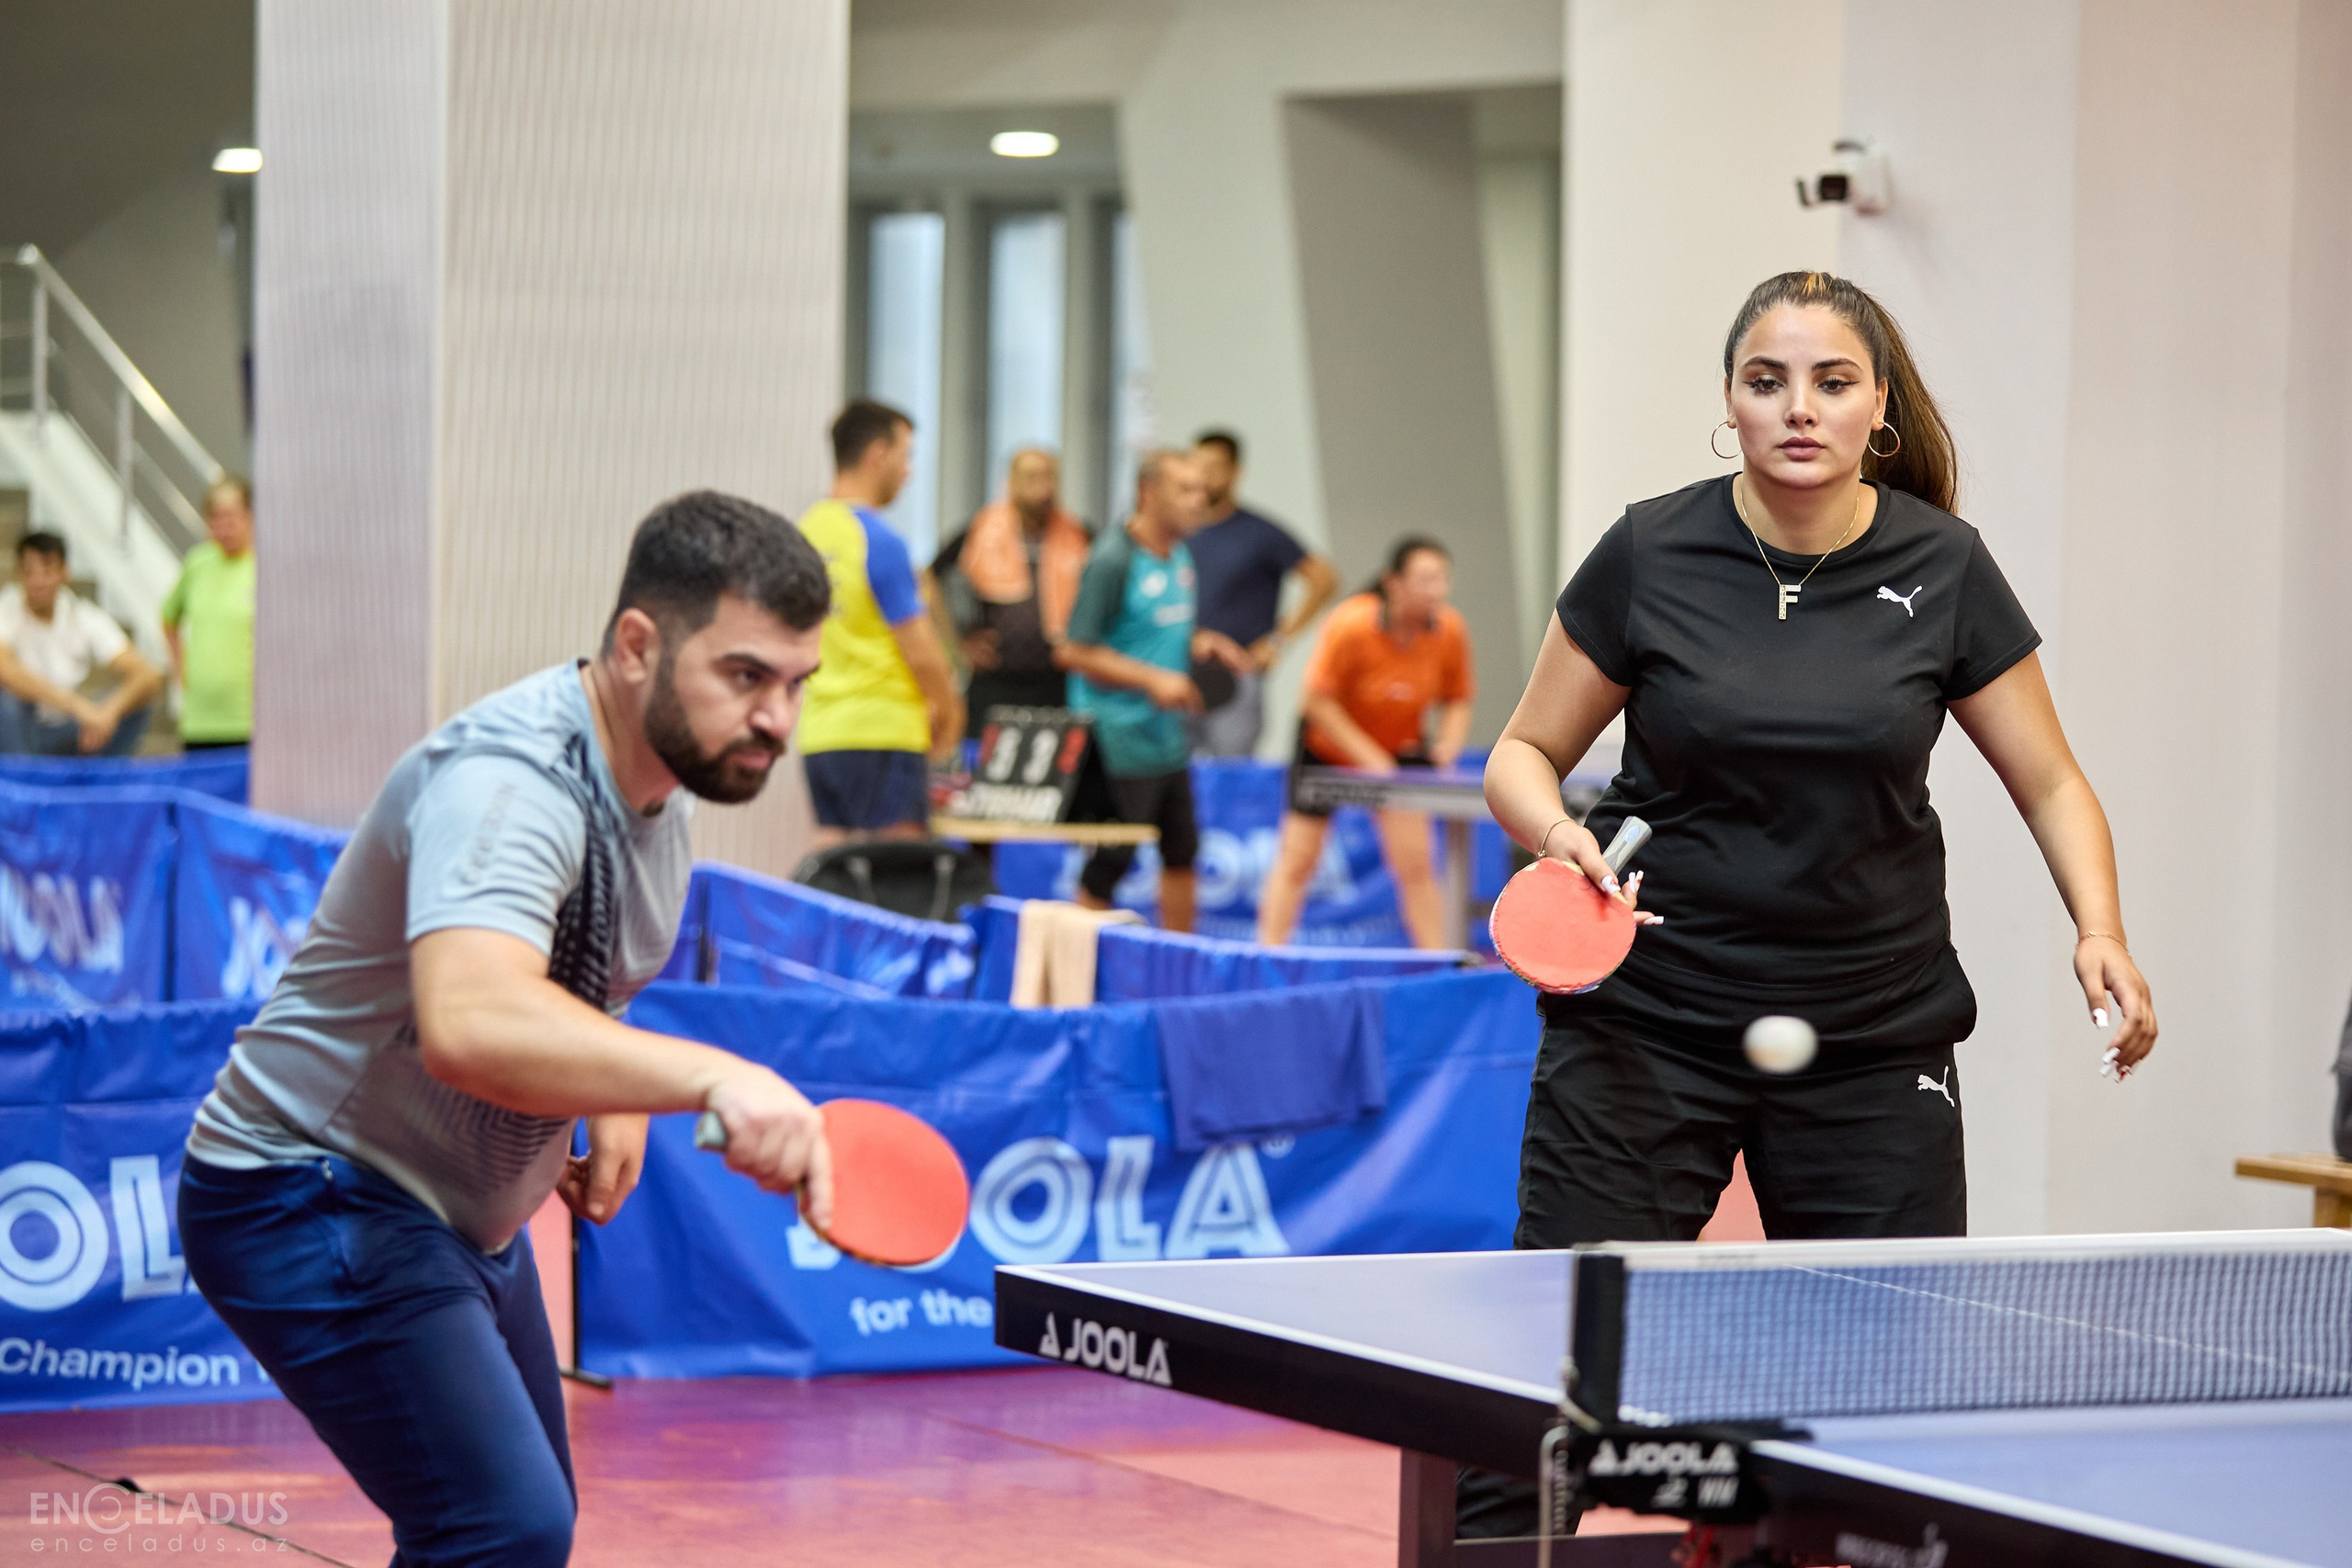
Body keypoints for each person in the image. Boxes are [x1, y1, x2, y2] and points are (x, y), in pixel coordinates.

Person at [1462, 270, 2158, 1532]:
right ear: (1729, 403)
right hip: (1648, 1019)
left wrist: (2098, 927)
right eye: (1766, 380)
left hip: (1872, 1036)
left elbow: (2052, 777)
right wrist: (1564, 836)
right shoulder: (1651, 547)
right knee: (1543, 1390)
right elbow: (1520, 751)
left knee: (1877, 1418)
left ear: (1877, 407)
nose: (1799, 407)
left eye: (1833, 382)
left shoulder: (1941, 566)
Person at [178, 491, 840, 1568]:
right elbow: (472, 1018)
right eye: (745, 676)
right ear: (638, 645)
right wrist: (712, 1077)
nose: (778, 719)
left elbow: (582, 974)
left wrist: (614, 1085)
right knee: (502, 1530)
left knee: (515, 1529)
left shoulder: (660, 792)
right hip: (312, 1188)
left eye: (797, 685)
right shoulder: (510, 782)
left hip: (451, 1213)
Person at [1057, 450, 1247, 932]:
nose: (1199, 500)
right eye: (1185, 489)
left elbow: (1152, 629)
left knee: (1183, 853)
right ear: (1149, 493)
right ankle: (1078, 973)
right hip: (1115, 738)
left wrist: (1200, 641)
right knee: (1111, 864)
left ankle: (1182, 962)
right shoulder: (1111, 559)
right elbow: (1074, 650)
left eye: (1202, 490)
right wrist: (1153, 680)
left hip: (1167, 738)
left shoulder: (1180, 555)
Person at [1255, 536, 1474, 949]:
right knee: (1298, 860)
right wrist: (1367, 755)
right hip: (1326, 750)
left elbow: (1458, 698)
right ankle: (1267, 952)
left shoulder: (1449, 630)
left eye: (1442, 579)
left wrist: (1448, 743)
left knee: (1416, 866)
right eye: (1425, 579)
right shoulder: (1350, 624)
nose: (1437, 591)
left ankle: (1440, 959)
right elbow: (1316, 701)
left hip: (1403, 752)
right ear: (1393, 582)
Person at [796, 400, 965, 849]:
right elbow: (921, 650)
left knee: (838, 878)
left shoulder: (805, 533)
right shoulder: (879, 540)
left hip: (821, 735)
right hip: (884, 732)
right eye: (906, 455)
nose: (909, 472)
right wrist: (950, 715)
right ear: (878, 454)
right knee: (895, 882)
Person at [1184, 430, 1339, 756]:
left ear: (1235, 471)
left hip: (1237, 676)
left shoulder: (1260, 534)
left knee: (1232, 776)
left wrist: (1278, 641)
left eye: (1214, 467)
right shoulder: (1182, 532)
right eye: (1198, 468)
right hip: (1179, 671)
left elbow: (1323, 580)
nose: (1204, 477)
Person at [932, 447, 1092, 720]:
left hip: (1057, 681)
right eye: (1031, 477)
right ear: (1011, 481)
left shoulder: (1079, 535)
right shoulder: (978, 532)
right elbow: (929, 582)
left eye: (1049, 477)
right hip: (995, 681)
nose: (1042, 488)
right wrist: (958, 646)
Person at [0, 532, 164, 755]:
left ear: (64, 572)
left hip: (71, 729)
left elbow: (147, 675)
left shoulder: (83, 616)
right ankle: (23, 782)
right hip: (21, 728)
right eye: (29, 572)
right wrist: (77, 706)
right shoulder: (7, 607)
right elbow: (5, 668)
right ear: (19, 573)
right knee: (6, 703)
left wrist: (107, 713)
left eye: (47, 571)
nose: (38, 582)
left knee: (138, 700)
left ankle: (101, 780)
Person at [160, 476, 257, 750]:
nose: (223, 527)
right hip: (198, 723)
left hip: (249, 722)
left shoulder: (263, 568)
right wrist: (181, 670)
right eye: (215, 518)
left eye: (231, 518)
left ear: (249, 517)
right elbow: (168, 618)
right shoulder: (197, 563)